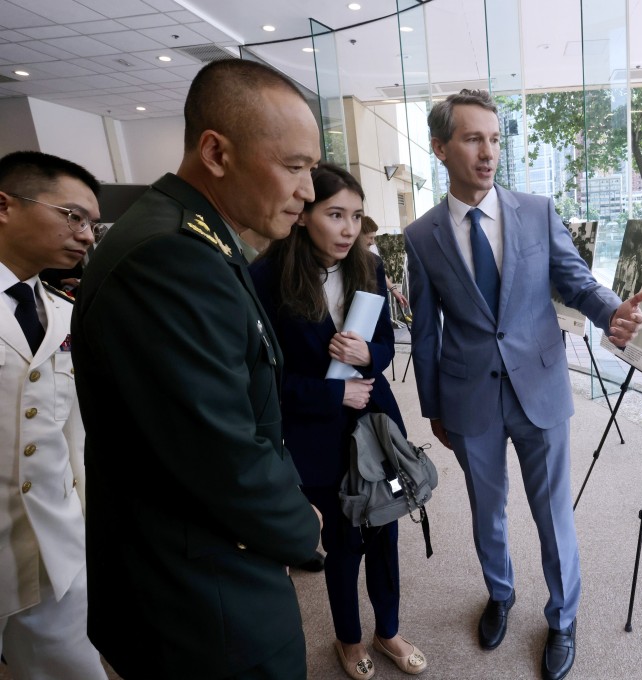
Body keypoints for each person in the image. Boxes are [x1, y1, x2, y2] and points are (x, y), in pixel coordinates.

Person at [70, 58, 323, 680]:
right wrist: (299, 523)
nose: (309, 192)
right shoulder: (172, 256)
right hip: (197, 600)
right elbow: (222, 450)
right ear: (215, 151)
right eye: (294, 168)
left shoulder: (196, 238)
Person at [404, 89, 642, 680]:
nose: (487, 153)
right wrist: (433, 406)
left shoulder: (536, 211)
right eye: (471, 139)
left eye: (494, 139)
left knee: (551, 512)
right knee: (487, 510)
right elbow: (427, 333)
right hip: (469, 400)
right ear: (440, 148)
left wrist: (611, 311)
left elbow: (577, 280)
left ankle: (563, 618)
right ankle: (500, 592)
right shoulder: (422, 235)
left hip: (539, 388)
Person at [250, 164, 427, 679]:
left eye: (355, 215)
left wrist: (367, 354)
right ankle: (349, 640)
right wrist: (332, 392)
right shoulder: (266, 277)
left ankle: (387, 630)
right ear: (303, 215)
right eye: (335, 215)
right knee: (346, 543)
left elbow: (388, 345)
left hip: (378, 429)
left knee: (387, 532)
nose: (349, 229)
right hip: (318, 436)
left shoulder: (368, 265)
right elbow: (261, 380)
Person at [0, 151, 107, 679]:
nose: (86, 234)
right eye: (72, 216)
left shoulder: (64, 312)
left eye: (91, 222)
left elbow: (76, 435)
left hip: (54, 546)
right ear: (4, 206)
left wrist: (89, 526)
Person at [360, 215, 410, 309]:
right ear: (358, 235)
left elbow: (381, 273)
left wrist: (394, 291)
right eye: (370, 238)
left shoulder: (372, 250)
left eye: (374, 238)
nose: (373, 242)